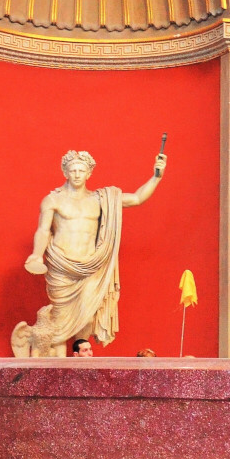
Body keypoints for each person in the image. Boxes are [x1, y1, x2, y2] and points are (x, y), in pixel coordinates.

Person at [14, 147, 167, 357]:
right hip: (62, 265)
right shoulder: (53, 200)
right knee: (59, 320)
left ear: (89, 174)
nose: (77, 174)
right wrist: (36, 254)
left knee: (86, 317)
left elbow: (137, 199)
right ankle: (55, 365)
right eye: (73, 170)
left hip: (91, 266)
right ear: (65, 172)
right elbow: (43, 230)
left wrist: (156, 176)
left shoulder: (101, 199)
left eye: (81, 170)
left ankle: (80, 365)